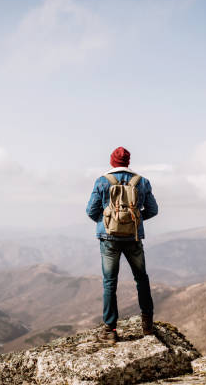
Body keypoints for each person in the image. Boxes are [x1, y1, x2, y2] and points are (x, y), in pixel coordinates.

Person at [86, 146, 158, 344]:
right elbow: (153, 209)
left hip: (109, 239)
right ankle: (148, 326)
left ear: (112, 161)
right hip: (133, 238)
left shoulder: (102, 181)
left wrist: (108, 222)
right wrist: (134, 220)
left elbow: (91, 211)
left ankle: (110, 330)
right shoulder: (141, 182)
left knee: (110, 282)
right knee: (141, 278)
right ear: (128, 162)